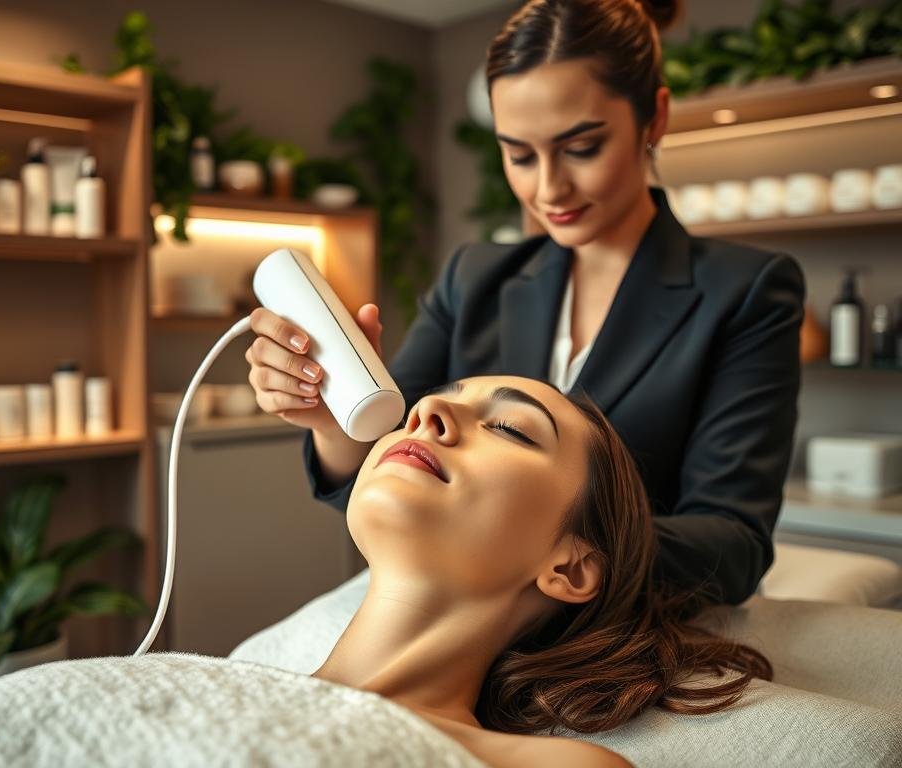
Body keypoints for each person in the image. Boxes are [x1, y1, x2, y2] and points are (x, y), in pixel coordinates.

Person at [245, 0, 805, 609]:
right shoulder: (475, 278)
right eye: (518, 154)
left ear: (655, 118)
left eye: (582, 147)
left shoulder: (745, 291)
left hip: (622, 630)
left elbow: (733, 545)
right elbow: (385, 462)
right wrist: (335, 422)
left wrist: (533, 541)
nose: (548, 189)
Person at [314, 374, 771, 767]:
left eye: (510, 428)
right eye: (420, 404)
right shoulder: (240, 682)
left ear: (570, 569)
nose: (426, 410)